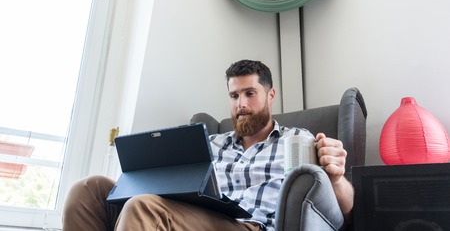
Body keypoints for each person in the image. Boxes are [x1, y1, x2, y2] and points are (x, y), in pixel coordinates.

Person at [62, 59, 354, 231]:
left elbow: (341, 209)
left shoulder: (296, 140)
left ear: (271, 94)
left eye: (250, 93)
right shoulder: (210, 142)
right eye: (234, 95)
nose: (241, 104)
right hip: (191, 215)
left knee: (143, 208)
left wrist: (337, 178)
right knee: (87, 190)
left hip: (249, 226)